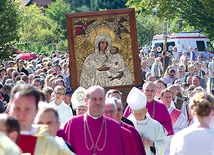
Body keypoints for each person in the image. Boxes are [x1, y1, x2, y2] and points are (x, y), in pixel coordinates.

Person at [63, 85, 126, 154]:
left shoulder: (114, 127)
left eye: (100, 99)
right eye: (94, 99)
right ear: (86, 101)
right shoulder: (72, 124)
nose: (98, 102)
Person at [8, 84, 62, 155]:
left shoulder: (49, 143)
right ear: (9, 109)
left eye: (27, 109)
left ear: (36, 111)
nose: (21, 114)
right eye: (17, 109)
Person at [127, 87, 167, 155]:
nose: (138, 115)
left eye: (141, 113)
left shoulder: (155, 125)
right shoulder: (128, 126)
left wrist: (150, 143)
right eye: (136, 113)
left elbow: (164, 144)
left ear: (146, 111)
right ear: (132, 112)